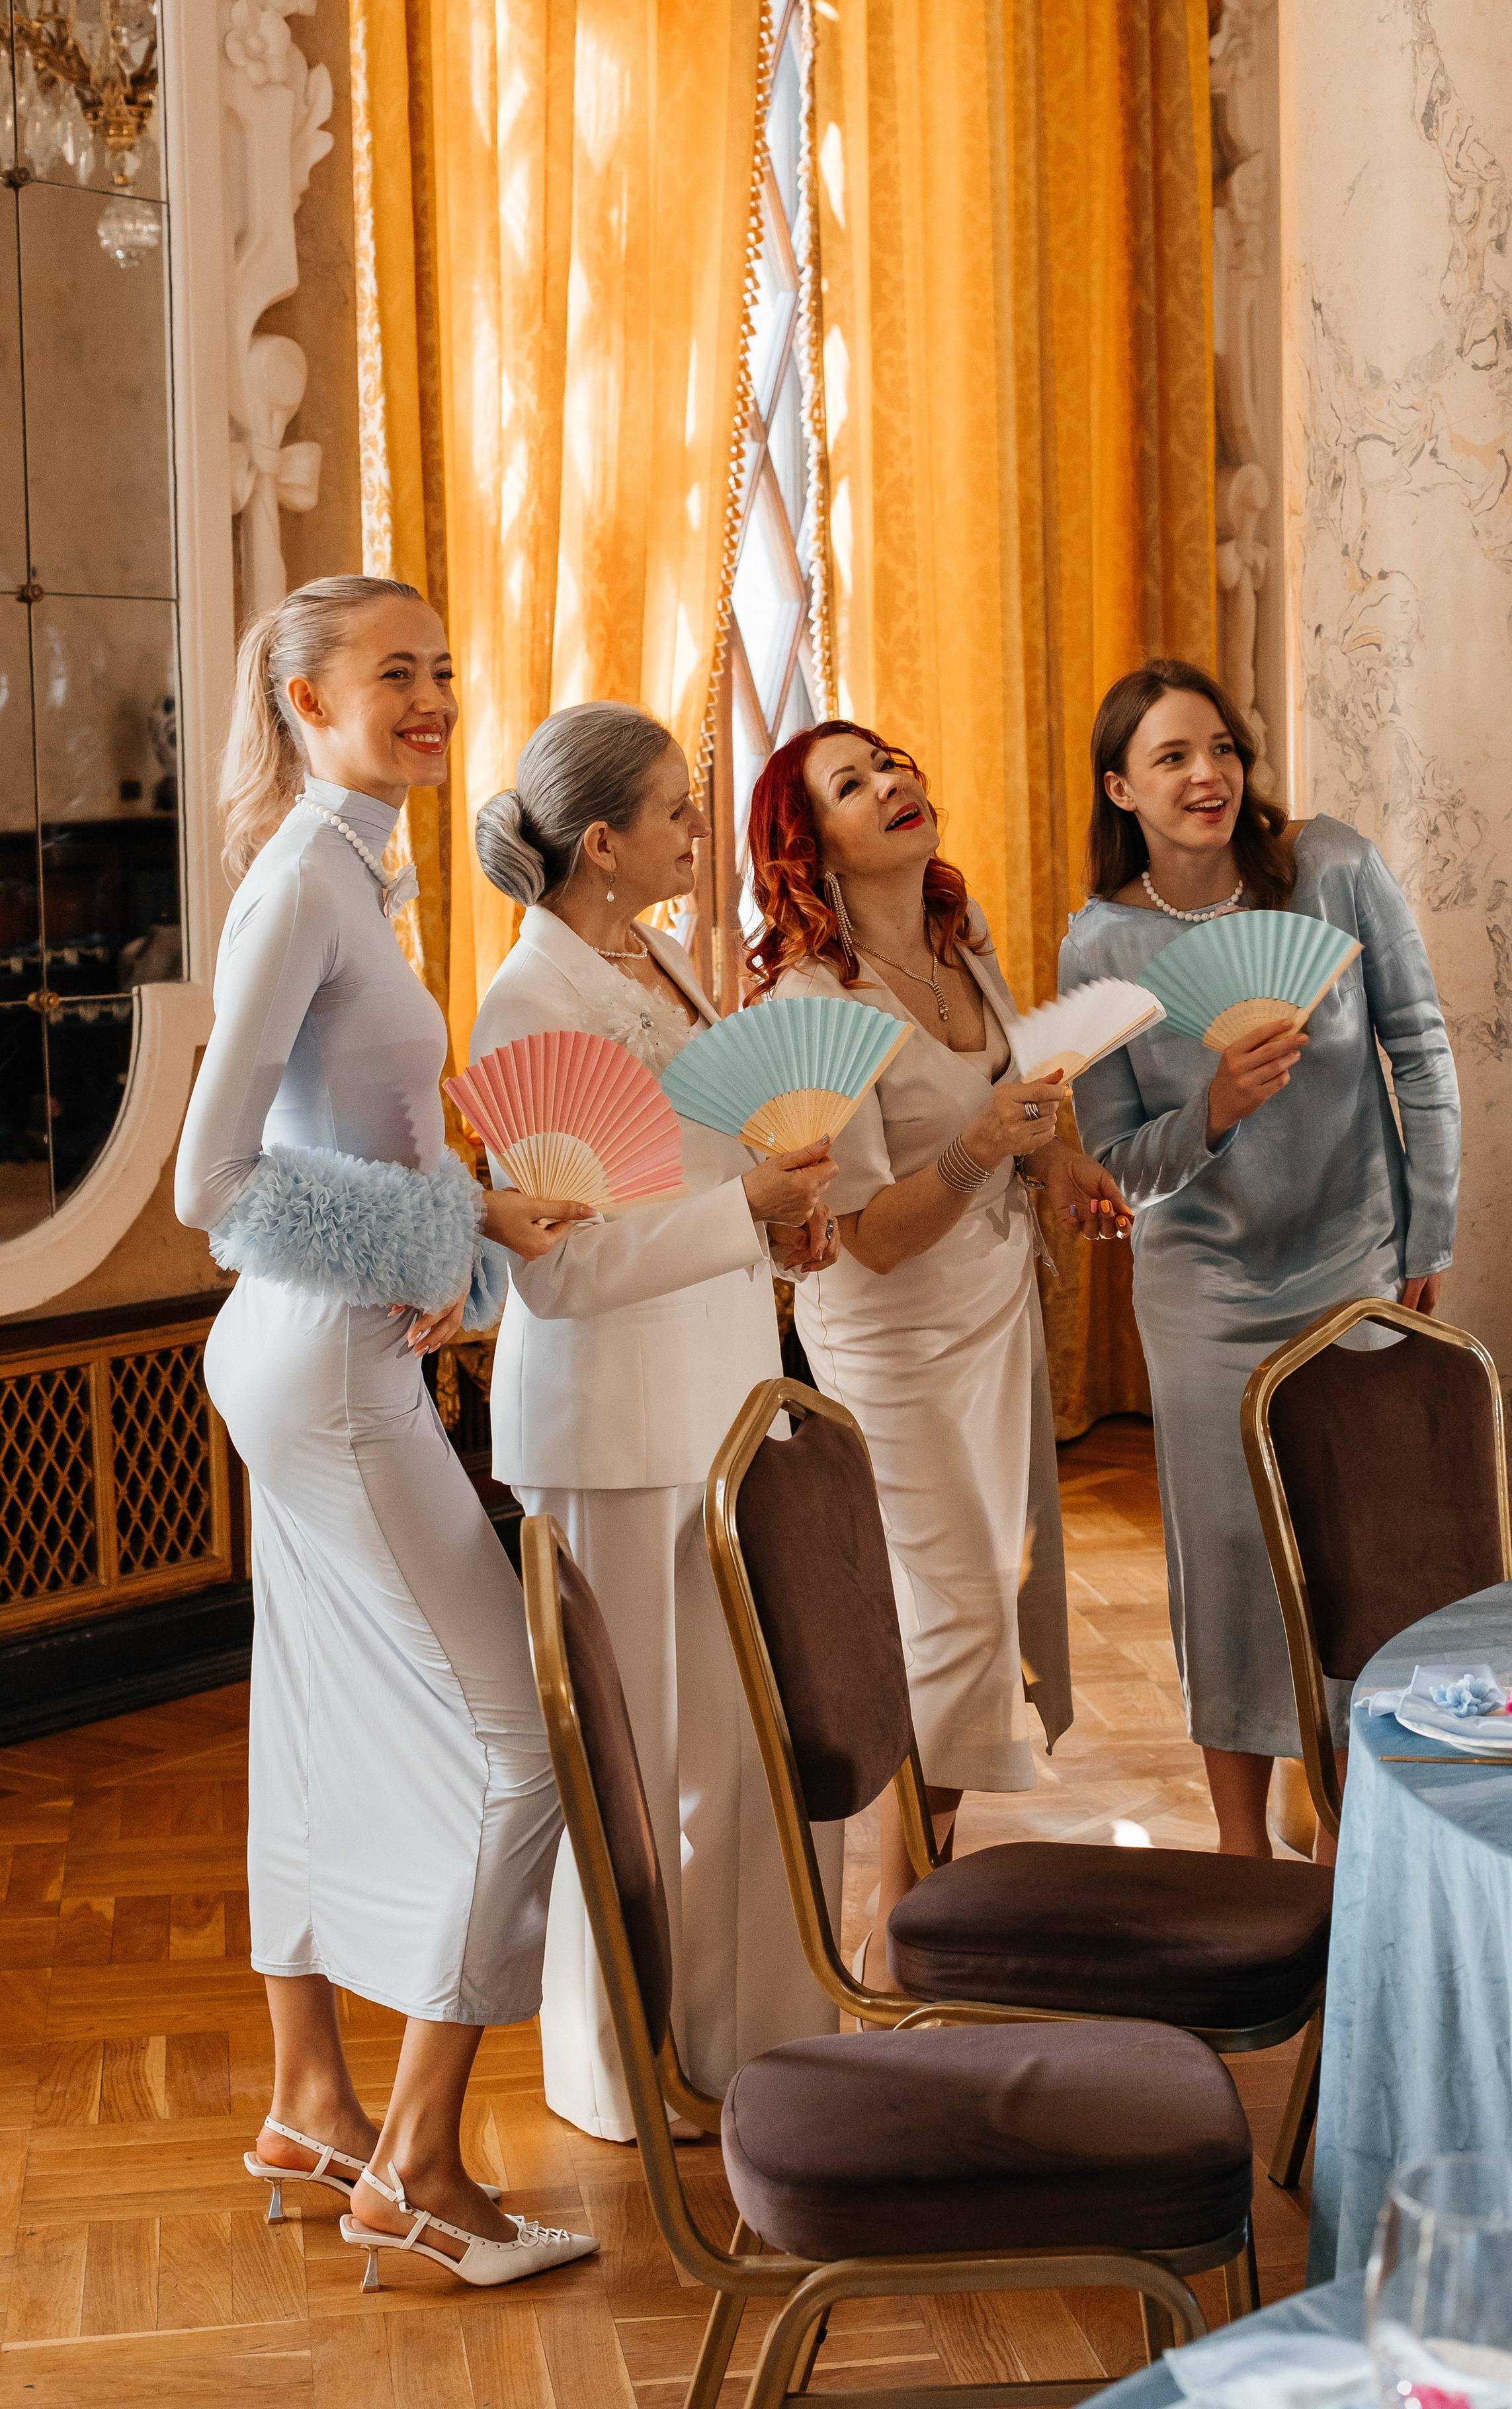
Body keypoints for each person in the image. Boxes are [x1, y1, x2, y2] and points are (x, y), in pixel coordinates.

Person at [177, 575, 601, 2291]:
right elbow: (216, 1185)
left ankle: (308, 2104)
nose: (432, 697)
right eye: (392, 674)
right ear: (302, 699)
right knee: (526, 1751)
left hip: (322, 1356)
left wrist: (465, 1226)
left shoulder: (362, 870)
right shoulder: (301, 888)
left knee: (303, 1721)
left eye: (442, 669)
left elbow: (358, 1131)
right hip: (324, 1372)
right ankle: (419, 2168)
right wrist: (454, 1240)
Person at [471, 702, 845, 2140]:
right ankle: (634, 2066)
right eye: (675, 812)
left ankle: (753, 2034)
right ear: (604, 841)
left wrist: (774, 1231)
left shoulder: (665, 959)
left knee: (738, 1743)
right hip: (614, 1434)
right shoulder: (529, 1003)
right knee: (645, 1770)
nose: (701, 829)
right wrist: (735, 1213)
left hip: (718, 1402)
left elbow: (689, 1178)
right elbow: (561, 1273)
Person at [745, 720, 1130, 1991]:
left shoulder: (965, 945)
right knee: (949, 1620)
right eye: (851, 786)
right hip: (896, 1345)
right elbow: (859, 1243)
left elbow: (1030, 1101)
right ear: (815, 846)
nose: (892, 784)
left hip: (995, 1316)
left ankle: (927, 1903)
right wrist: (980, 1149)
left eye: (894, 763)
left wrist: (1063, 1162)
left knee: (983, 1610)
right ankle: (895, 1932)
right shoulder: (815, 1004)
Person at [1060, 657, 1460, 1860]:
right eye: (1173, 757)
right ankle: (1242, 1852)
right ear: (1121, 790)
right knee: (1228, 1561)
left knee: (1362, 1541)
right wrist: (1219, 1109)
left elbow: (1422, 1054)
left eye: (1222, 749)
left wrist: (1426, 1233)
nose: (1207, 775)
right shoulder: (1104, 944)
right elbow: (1116, 1165)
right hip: (1203, 1291)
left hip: (1354, 1262)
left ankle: (1351, 1836)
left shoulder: (1330, 868)